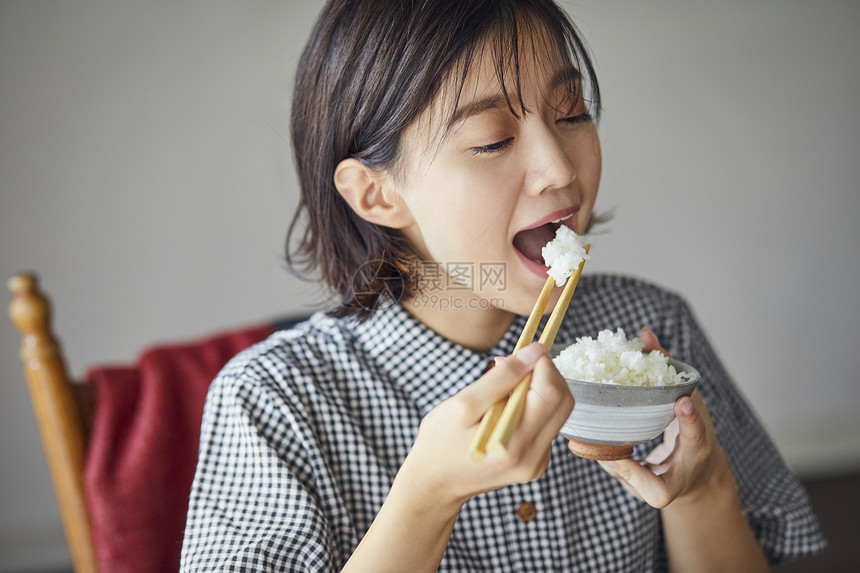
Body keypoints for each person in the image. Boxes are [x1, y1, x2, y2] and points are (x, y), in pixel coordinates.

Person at [181, 1, 825, 570]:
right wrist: (429, 496)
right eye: (492, 140)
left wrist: (702, 485)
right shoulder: (271, 401)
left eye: (571, 113)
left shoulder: (651, 326)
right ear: (375, 193)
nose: (559, 168)